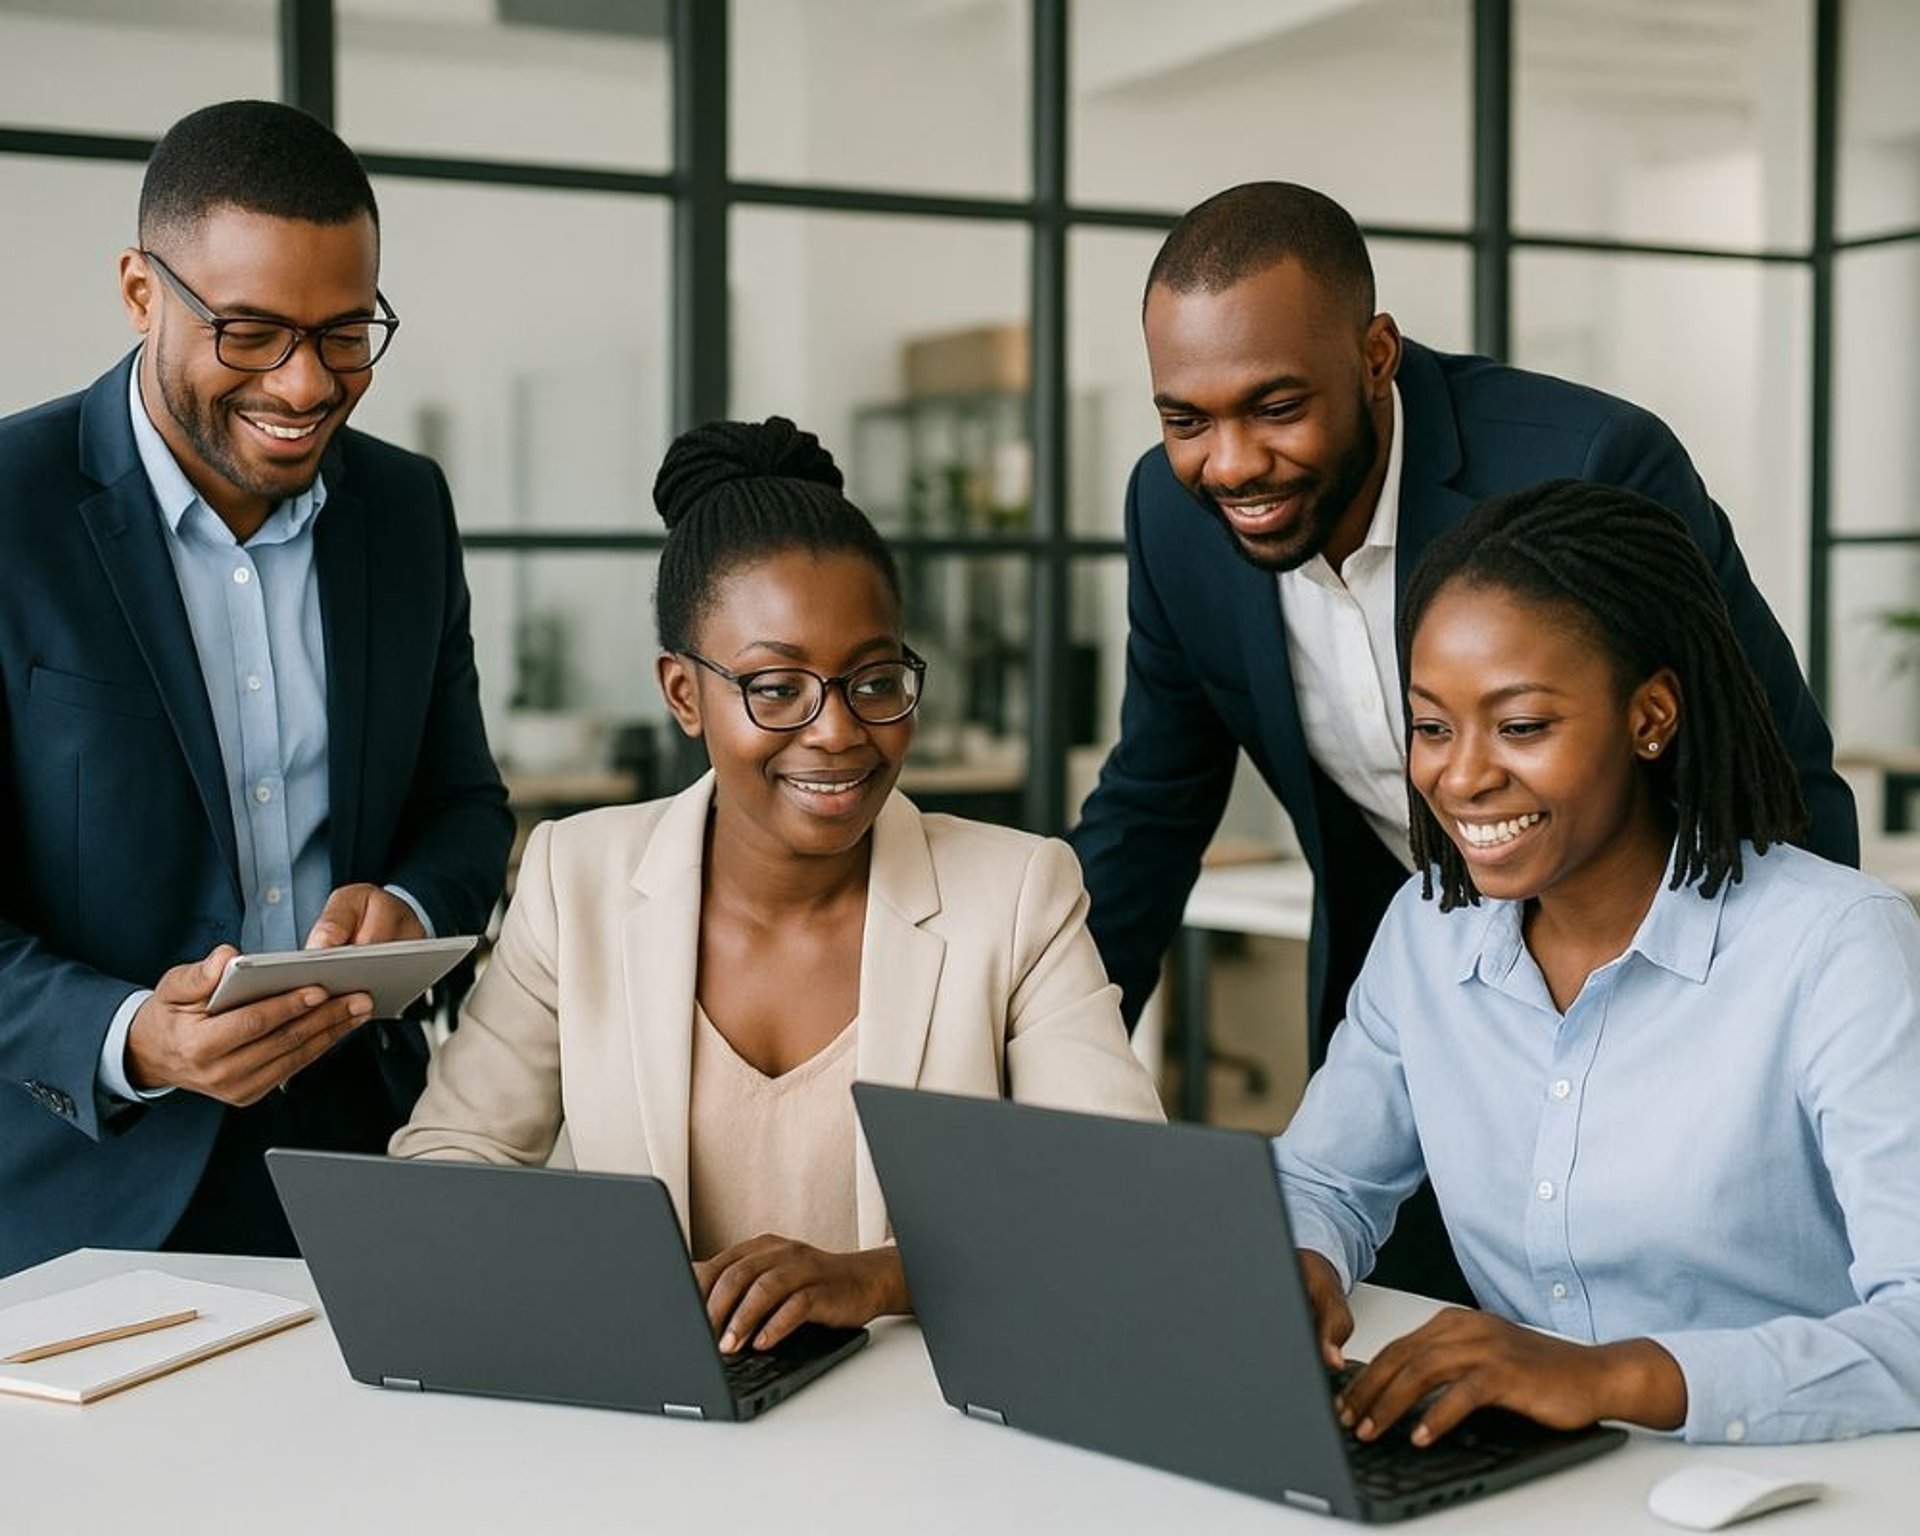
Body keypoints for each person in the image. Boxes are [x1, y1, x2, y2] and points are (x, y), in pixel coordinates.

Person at [1067, 179, 1857, 1299]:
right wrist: (1038, 1090)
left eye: (1276, 407)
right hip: (1425, 1008)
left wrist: (1774, 1062)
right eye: (1186, 420)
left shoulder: (1586, 463)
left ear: (1375, 356)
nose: (1230, 464)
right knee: (1405, 1323)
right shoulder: (1173, 514)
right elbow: (1150, 810)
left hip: (1669, 1004)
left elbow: (1772, 772)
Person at [393, 416, 1163, 1353]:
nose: (837, 731)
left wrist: (877, 1277)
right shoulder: (576, 879)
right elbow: (448, 1162)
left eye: (874, 681)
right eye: (776, 687)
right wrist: (617, 1281)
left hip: (922, 1416)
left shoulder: (1017, 896)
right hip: (664, 1407)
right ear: (683, 694)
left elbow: (1122, 1201)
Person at [1276, 479, 1920, 1447]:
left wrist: (1608, 1377)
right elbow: (1323, 1182)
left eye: (1522, 727)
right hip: (1542, 1471)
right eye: (1433, 727)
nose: (1462, 775)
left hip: (1800, 1474)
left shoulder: (1835, 946)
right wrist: (1297, 1267)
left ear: (1649, 716)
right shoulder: (1429, 928)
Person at [0, 101, 512, 1277]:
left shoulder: (406, 508)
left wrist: (411, 910)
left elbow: (464, 806)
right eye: (251, 333)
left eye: (345, 334)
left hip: (364, 1163)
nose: (304, 383)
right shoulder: (9, 512)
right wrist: (133, 1035)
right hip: (79, 1203)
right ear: (142, 293)